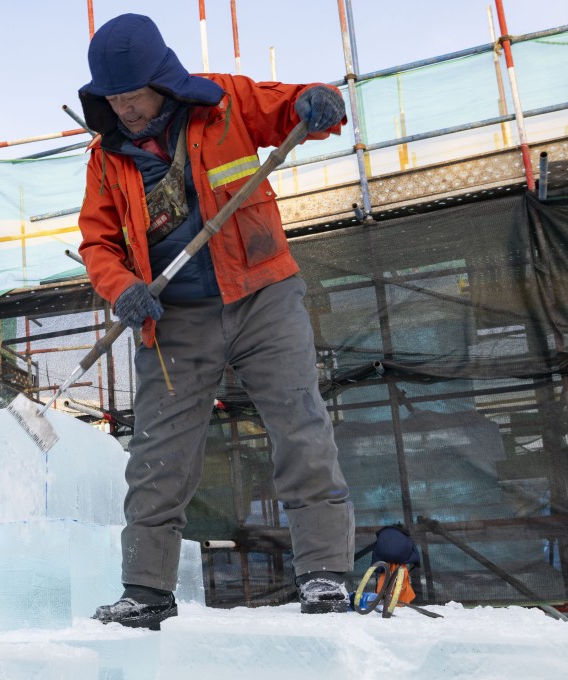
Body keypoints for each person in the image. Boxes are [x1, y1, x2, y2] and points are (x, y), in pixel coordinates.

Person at [76, 14, 355, 629]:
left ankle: (325, 577)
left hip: (262, 294)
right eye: (113, 98)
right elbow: (98, 243)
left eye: (135, 95)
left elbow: (288, 110)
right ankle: (146, 590)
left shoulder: (223, 102)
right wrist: (124, 290)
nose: (125, 108)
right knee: (158, 452)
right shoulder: (105, 160)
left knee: (300, 425)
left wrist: (319, 102)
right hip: (173, 319)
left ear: (164, 81)